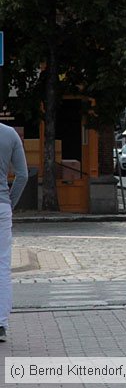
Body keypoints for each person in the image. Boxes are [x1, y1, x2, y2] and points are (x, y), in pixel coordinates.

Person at [0, 122, 27, 343]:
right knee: (2, 265)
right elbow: (23, 175)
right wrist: (10, 202)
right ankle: (0, 323)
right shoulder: (9, 135)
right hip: (1, 207)